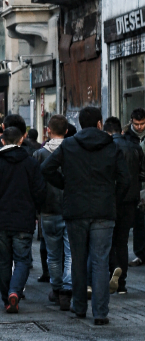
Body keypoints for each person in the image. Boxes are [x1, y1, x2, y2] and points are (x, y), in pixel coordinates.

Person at [41, 106, 130, 325]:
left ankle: (79, 306)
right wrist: (112, 197)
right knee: (100, 262)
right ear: (100, 124)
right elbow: (126, 179)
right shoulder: (111, 146)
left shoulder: (69, 145)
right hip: (103, 211)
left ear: (80, 124)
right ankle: (100, 313)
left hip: (75, 209)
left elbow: (46, 168)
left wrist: (66, 185)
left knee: (78, 260)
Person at [0, 127, 46, 313]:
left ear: (2, 141)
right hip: (24, 218)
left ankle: (6, 298)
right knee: (23, 259)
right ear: (21, 140)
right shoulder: (31, 162)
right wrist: (35, 210)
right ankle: (15, 291)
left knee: (3, 260)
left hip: (1, 219)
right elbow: (40, 190)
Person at [33, 115, 73, 311]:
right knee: (70, 253)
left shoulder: (39, 155)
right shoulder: (73, 151)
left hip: (47, 210)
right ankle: (67, 288)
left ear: (48, 130)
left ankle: (56, 288)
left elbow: (35, 183)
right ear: (67, 131)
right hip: (70, 208)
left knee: (53, 254)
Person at [104, 116, 145, 295]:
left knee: (109, 240)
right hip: (130, 200)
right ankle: (122, 284)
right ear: (121, 130)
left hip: (110, 200)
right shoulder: (135, 147)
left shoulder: (106, 148)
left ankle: (113, 270)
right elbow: (143, 174)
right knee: (122, 241)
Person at [123, 108, 145, 267]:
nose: (139, 127)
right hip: (136, 184)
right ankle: (140, 253)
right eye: (136, 124)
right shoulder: (126, 137)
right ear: (131, 121)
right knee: (139, 221)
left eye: (142, 124)